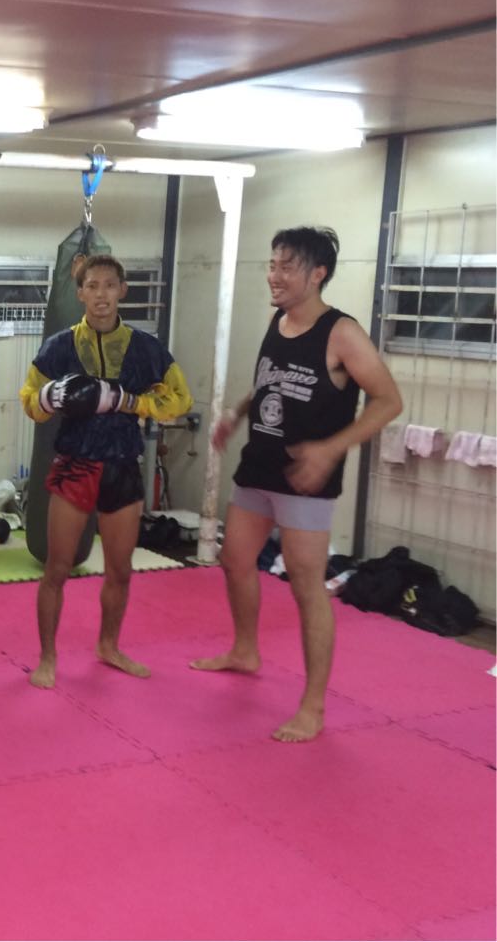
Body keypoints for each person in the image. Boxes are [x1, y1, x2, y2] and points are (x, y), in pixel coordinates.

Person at [191, 227, 402, 742]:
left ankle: (313, 706)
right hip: (259, 466)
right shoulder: (279, 319)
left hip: (306, 479)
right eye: (272, 264)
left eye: (287, 267)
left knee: (307, 587)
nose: (274, 275)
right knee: (235, 560)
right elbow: (270, 381)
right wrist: (237, 412)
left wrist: (331, 449)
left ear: (317, 274)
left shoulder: (341, 333)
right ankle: (245, 650)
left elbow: (389, 401)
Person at [19, 254, 192, 687]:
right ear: (79, 292)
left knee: (120, 570)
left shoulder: (146, 348)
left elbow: (180, 399)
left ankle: (108, 646)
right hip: (75, 464)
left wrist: (130, 402)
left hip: (122, 466)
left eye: (109, 286)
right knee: (57, 568)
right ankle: (47, 657)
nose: (101, 295)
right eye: (92, 286)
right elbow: (29, 401)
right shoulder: (59, 346)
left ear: (122, 291)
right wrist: (49, 398)